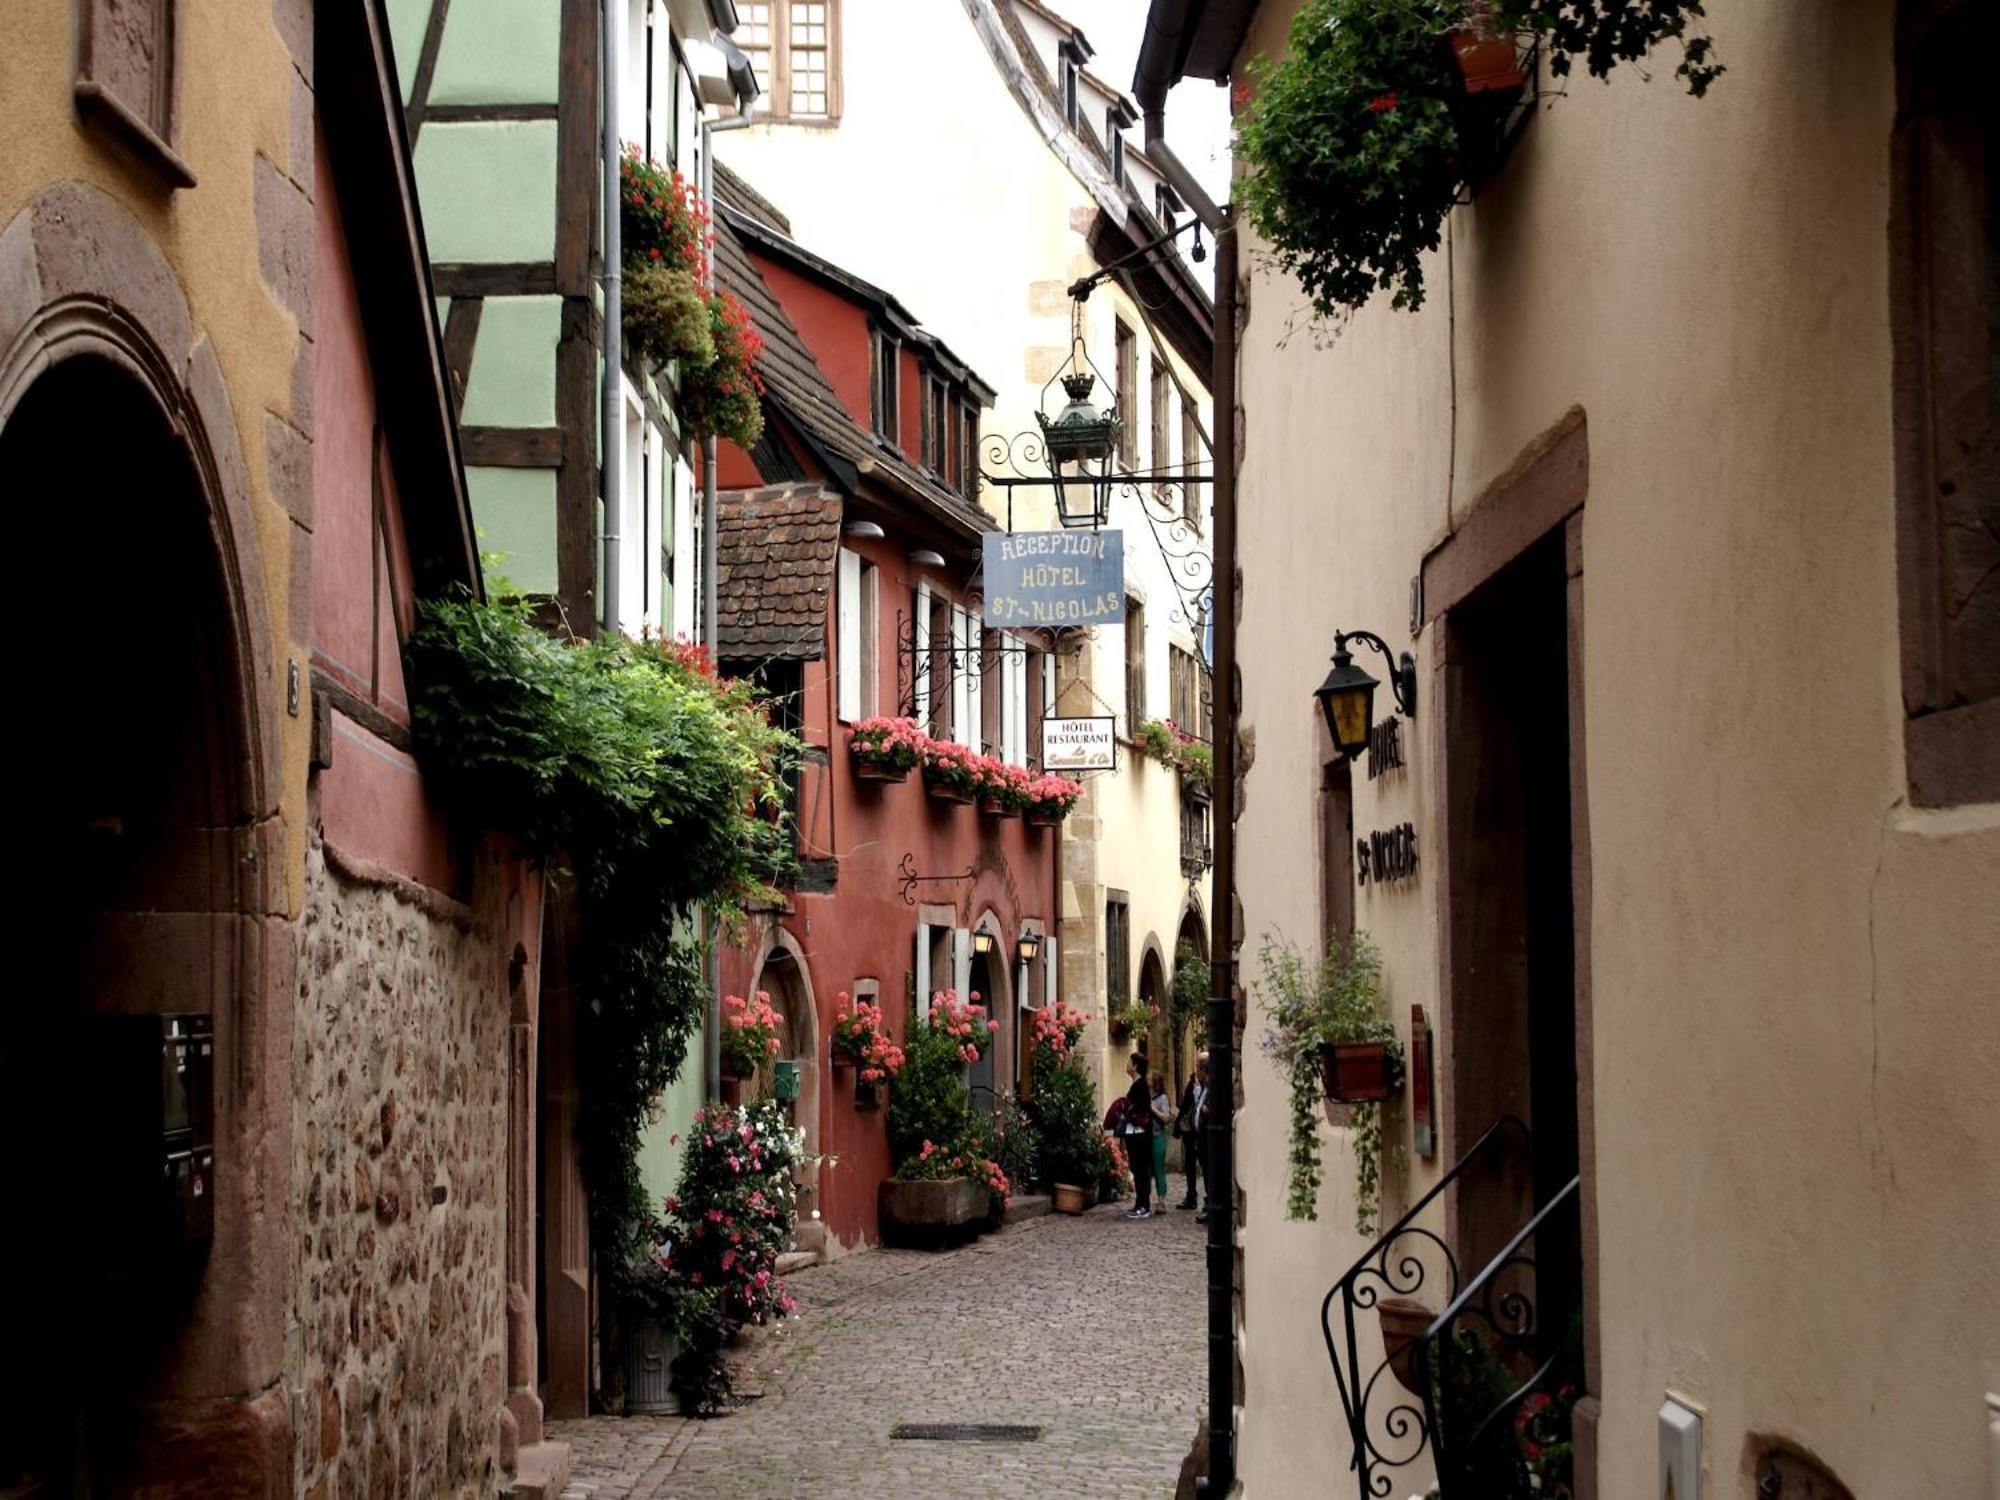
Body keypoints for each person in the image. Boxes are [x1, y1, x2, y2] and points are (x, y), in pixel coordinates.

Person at [1121, 1052, 1155, 1219]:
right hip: (1133, 1133)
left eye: (1129, 1062)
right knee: (1136, 1168)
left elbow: (1142, 1109)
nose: (1127, 1064)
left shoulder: (1140, 1085)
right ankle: (1139, 1203)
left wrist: (1128, 1111)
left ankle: (1144, 1205)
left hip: (1140, 1134)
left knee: (1141, 1169)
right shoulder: (1136, 1083)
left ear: (1134, 1066)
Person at [1176, 1054, 1209, 1211]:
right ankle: (1191, 1196)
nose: (1197, 1067)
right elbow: (1186, 1105)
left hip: (1203, 1132)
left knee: (1205, 1165)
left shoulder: (1207, 1085)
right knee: (1190, 1165)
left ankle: (1208, 1201)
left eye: (1200, 1064)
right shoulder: (1192, 1082)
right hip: (1190, 1130)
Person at [1150, 1071, 1173, 1204]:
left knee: (1159, 1169)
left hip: (1158, 1136)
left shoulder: (1162, 1098)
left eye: (1150, 1078)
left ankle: (1161, 1200)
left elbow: (1166, 1117)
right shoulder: (1147, 1096)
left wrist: (1153, 1109)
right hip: (1147, 1137)